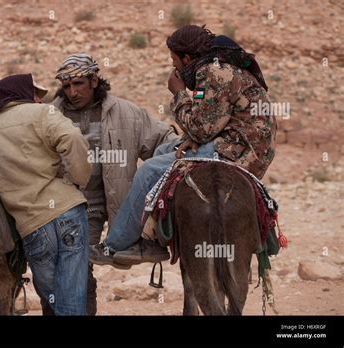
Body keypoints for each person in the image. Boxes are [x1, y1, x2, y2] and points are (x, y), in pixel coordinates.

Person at [90, 24, 277, 266]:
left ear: (187, 58)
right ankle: (152, 237)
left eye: (174, 60)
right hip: (233, 141)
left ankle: (114, 246)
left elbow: (200, 128)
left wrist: (178, 93)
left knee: (148, 171)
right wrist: (195, 133)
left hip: (240, 152)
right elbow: (208, 120)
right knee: (161, 152)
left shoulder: (212, 72)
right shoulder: (213, 69)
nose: (174, 67)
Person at [50, 53, 179, 315]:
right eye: (66, 86)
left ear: (94, 80)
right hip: (70, 206)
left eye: (79, 84)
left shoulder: (126, 113)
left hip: (118, 204)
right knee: (75, 270)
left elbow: (163, 140)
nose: (72, 92)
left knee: (78, 268)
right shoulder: (50, 116)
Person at [0, 74, 93, 315]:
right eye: (36, 94)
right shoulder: (41, 114)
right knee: (72, 299)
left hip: (31, 226)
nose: (39, 100)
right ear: (20, 93)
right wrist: (79, 180)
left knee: (55, 300)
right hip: (67, 210)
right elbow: (72, 138)